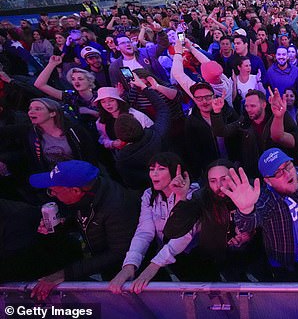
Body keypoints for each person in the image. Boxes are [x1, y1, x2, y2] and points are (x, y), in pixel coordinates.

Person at [29, 160, 139, 301]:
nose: (52, 194)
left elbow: (119, 253)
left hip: (130, 281)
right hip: (107, 269)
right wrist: (61, 225)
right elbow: (84, 218)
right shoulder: (89, 193)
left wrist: (64, 274)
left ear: (75, 190)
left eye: (53, 191)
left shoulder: (117, 206)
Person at [108, 153, 199, 294]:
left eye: (161, 169)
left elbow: (185, 235)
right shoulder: (149, 195)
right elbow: (144, 232)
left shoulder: (193, 194)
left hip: (196, 254)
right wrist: (129, 265)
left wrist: (153, 266)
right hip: (167, 255)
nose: (154, 173)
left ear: (176, 171)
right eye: (152, 169)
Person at [222, 149, 298, 281]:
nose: (287, 173)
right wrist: (245, 209)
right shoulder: (267, 200)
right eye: (277, 173)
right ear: (268, 181)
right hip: (285, 262)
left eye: (287, 165)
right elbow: (247, 224)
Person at [163, 159, 256, 282]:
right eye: (213, 181)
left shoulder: (248, 190)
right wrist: (181, 196)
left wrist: (250, 233)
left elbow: (262, 219)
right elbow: (172, 231)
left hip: (252, 254)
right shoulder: (201, 197)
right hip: (216, 257)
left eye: (224, 179)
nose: (219, 186)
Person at [112, 72, 171, 190]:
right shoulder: (156, 134)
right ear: (139, 125)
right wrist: (144, 88)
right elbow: (162, 108)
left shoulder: (122, 160)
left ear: (120, 138)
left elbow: (131, 184)